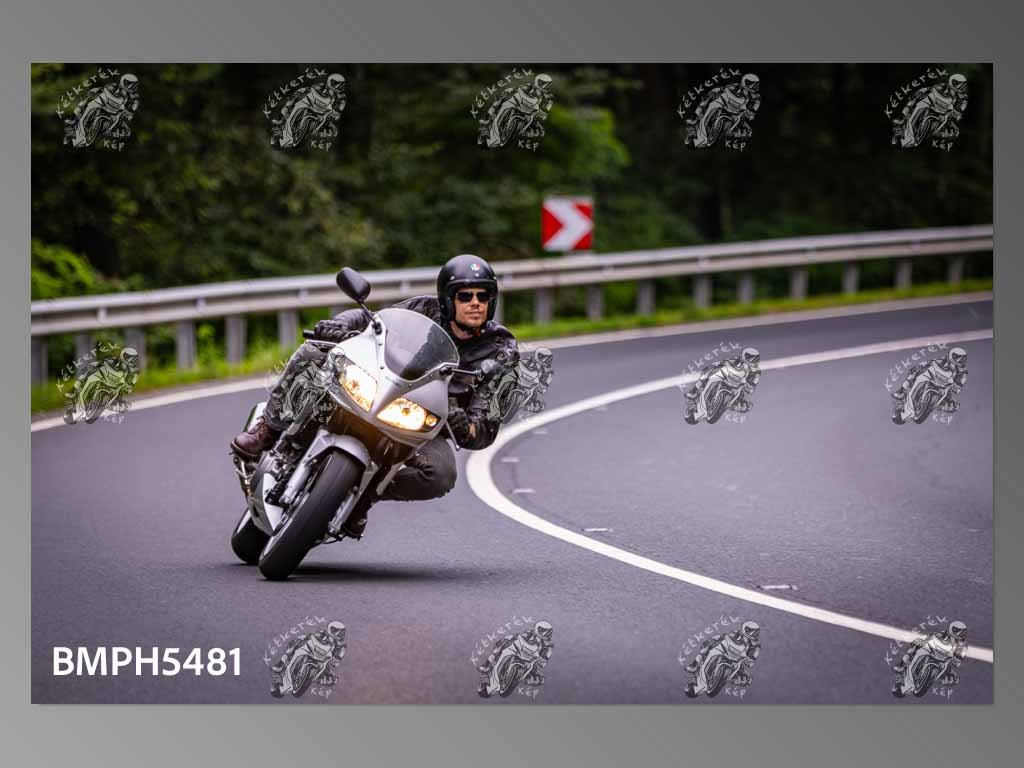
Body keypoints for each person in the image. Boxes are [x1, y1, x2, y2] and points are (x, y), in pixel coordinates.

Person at [231, 254, 518, 538]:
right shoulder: (422, 310)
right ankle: (269, 428)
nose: (475, 302)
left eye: (483, 295)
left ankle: (363, 499)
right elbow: (372, 320)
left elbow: (485, 427)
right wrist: (339, 325)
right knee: (315, 351)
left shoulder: (501, 350)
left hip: (423, 426)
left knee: (441, 474)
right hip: (378, 389)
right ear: (448, 298)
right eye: (465, 295)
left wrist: (463, 424)